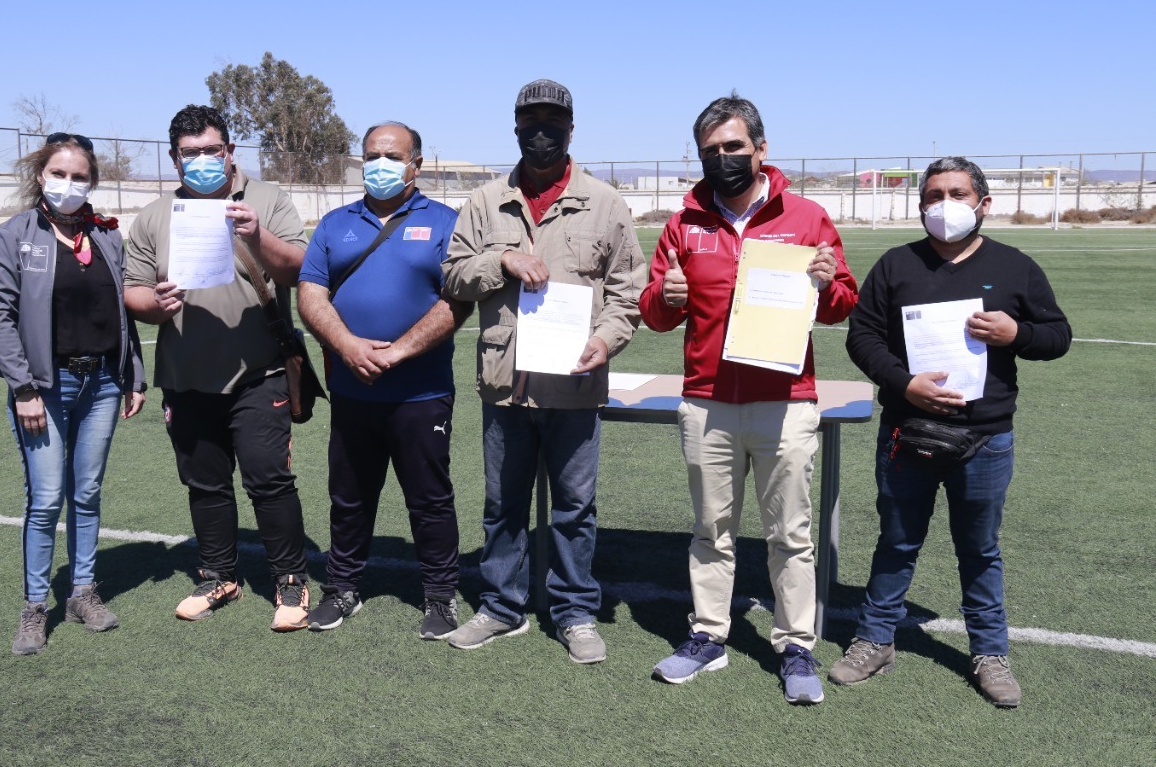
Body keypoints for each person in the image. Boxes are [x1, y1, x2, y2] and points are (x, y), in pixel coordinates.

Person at [639, 94, 858, 703]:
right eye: (711, 151)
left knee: (790, 532)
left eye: (734, 147)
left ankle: (795, 646)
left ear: (761, 149)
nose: (723, 158)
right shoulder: (683, 223)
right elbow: (652, 313)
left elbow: (844, 303)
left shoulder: (808, 217)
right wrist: (670, 296)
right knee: (712, 528)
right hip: (707, 400)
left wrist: (825, 282)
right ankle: (708, 635)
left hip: (786, 399)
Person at [830, 157, 1071, 708]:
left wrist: (1018, 332)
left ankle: (990, 652)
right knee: (896, 543)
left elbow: (1058, 336)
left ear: (983, 203)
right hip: (906, 430)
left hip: (985, 438)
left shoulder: (1016, 267)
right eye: (934, 195)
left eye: (957, 193)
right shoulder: (896, 265)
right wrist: (904, 384)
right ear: (920, 206)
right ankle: (874, 639)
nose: (945, 205)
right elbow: (862, 337)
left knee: (979, 549)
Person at [442, 79, 644, 664]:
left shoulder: (605, 203)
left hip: (575, 384)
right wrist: (500, 260)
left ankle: (575, 611)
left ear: (571, 128)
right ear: (514, 127)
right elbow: (452, 275)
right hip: (505, 383)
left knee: (574, 507)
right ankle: (501, 606)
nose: (541, 131)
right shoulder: (483, 203)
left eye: (552, 121)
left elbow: (626, 295)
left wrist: (606, 341)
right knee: (501, 506)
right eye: (529, 120)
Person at [123, 104, 311, 632]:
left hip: (260, 372)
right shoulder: (155, 215)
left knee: (268, 480)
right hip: (185, 375)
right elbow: (131, 291)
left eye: (211, 150)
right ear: (174, 158)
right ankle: (218, 575)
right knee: (204, 485)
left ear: (229, 151)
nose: (202, 160)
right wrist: (152, 305)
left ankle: (291, 580)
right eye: (190, 153)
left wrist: (257, 237)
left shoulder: (268, 199)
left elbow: (298, 267)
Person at [297, 121, 471, 640]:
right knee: (349, 496)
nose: (380, 165)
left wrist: (400, 351)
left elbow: (457, 300)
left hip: (421, 392)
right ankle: (342, 588)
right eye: (372, 155)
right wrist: (347, 347)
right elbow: (310, 292)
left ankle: (440, 596)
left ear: (416, 165)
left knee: (430, 497)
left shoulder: (445, 222)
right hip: (354, 390)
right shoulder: (334, 224)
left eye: (392, 156)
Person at [0, 132, 147, 655]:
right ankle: (35, 606)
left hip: (101, 382)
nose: (69, 184)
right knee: (47, 496)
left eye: (80, 176)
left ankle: (82, 592)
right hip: (44, 388)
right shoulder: (14, 235)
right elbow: (0, 316)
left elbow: (122, 314)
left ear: (92, 181)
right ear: (40, 176)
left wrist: (133, 374)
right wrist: (24, 388)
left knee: (87, 492)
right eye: (59, 174)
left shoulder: (107, 237)